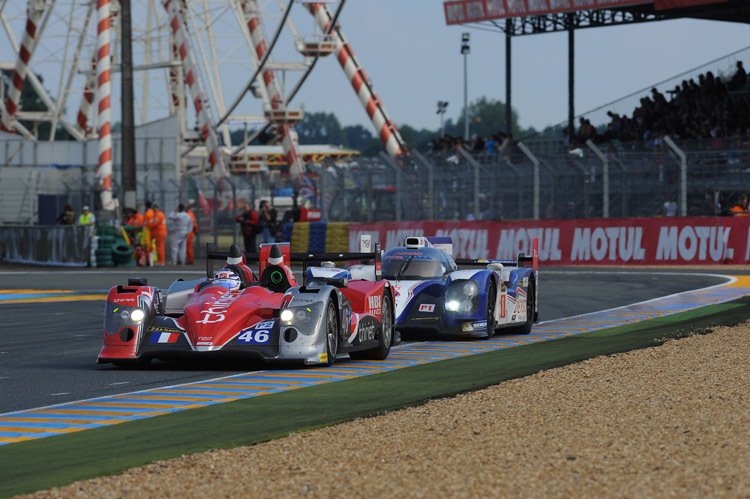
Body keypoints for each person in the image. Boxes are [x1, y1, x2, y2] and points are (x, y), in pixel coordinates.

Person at [144, 200, 167, 265]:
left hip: (159, 232)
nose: (153, 211)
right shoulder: (159, 214)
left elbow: (154, 224)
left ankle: (161, 261)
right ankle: (160, 261)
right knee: (159, 247)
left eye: (154, 210)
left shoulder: (158, 215)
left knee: (160, 247)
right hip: (160, 232)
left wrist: (148, 225)